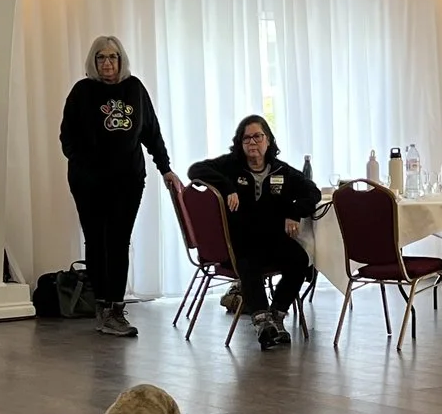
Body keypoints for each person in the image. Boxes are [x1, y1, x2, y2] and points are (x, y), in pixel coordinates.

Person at [59, 35, 181, 337]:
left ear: (121, 59)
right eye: (101, 57)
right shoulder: (82, 91)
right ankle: (102, 307)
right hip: (88, 182)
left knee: (118, 240)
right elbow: (67, 137)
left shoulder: (134, 89)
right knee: (96, 241)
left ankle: (116, 308)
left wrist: (165, 168)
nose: (107, 63)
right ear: (93, 61)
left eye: (112, 57)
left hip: (128, 180)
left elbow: (151, 132)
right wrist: (85, 166)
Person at [189, 114, 319, 349]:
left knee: (300, 259)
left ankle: (277, 314)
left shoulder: (282, 170)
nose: (252, 142)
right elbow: (195, 170)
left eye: (257, 137)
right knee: (249, 260)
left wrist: (295, 212)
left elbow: (313, 192)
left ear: (268, 140)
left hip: (274, 239)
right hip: (242, 241)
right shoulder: (230, 165)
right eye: (246, 138)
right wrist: (228, 187)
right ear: (240, 143)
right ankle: (261, 322)